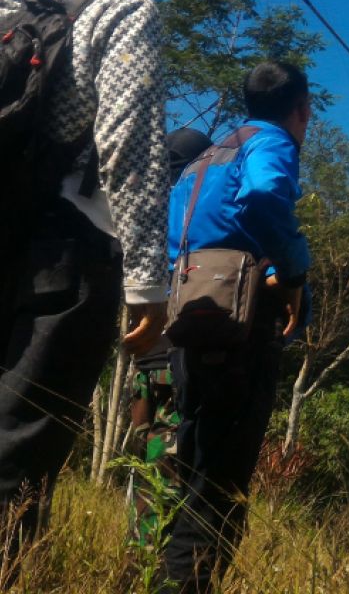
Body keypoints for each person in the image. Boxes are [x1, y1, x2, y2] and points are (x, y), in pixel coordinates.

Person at [0, 0, 168, 561]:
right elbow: (131, 144)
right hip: (66, 258)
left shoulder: (13, 0)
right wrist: (148, 283)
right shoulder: (128, 7)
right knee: (20, 449)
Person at [160, 61, 312, 593]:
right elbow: (268, 193)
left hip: (189, 327)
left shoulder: (203, 157)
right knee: (222, 486)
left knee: (193, 471)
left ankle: (164, 577)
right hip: (241, 332)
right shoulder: (270, 142)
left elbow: (189, 239)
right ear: (302, 110)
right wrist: (291, 271)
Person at [126, 128, 213, 553]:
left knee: (151, 478)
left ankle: (140, 563)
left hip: (148, 369)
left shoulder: (146, 213)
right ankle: (153, 570)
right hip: (183, 368)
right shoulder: (198, 209)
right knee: (174, 486)